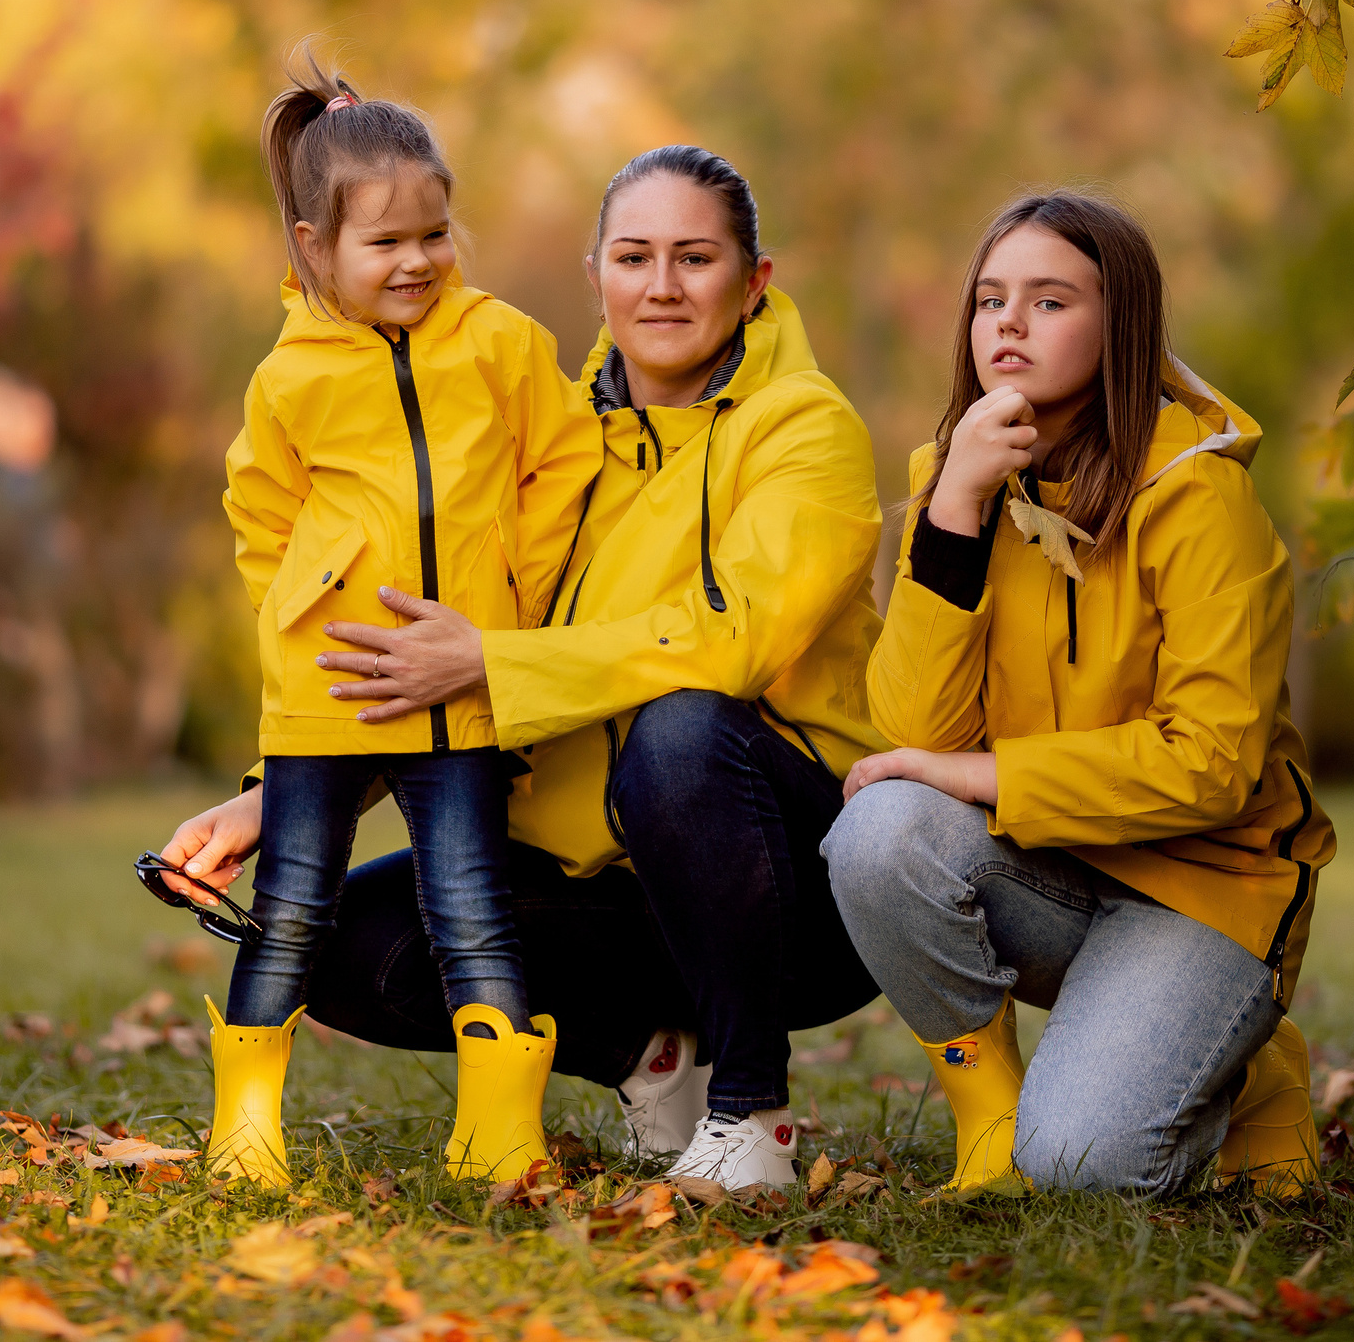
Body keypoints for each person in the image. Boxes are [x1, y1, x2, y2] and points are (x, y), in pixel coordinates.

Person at [160, 145, 884, 1189]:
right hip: (606, 882)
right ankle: (650, 1058)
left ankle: (749, 1112)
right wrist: (277, 799)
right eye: (634, 257)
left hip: (792, 888)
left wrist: (492, 661)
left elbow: (738, 640)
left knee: (682, 726)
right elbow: (440, 666)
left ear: (754, 279)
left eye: (695, 257)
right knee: (335, 942)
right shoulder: (550, 436)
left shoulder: (805, 430)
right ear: (596, 276)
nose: (662, 285)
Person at [822, 190, 1334, 1196]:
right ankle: (990, 1126)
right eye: (990, 299)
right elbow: (913, 729)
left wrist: (979, 775)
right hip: (1047, 867)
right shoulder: (955, 482)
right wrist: (956, 511)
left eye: (1050, 301)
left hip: (1203, 888)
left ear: (1120, 327)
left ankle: (1247, 1074)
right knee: (879, 833)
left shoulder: (1200, 498)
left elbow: (1212, 766)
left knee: (1084, 1166)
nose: (1008, 323)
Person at [182, 50, 600, 1190]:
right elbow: (259, 512)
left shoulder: (503, 343)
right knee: (291, 906)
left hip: (463, 692)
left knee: (471, 905)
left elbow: (564, 467)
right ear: (314, 246)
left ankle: (497, 1129)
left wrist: (512, 604)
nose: (417, 260)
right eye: (385, 242)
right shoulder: (290, 377)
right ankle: (246, 1130)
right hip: (325, 696)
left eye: (435, 234)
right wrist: (298, 611)